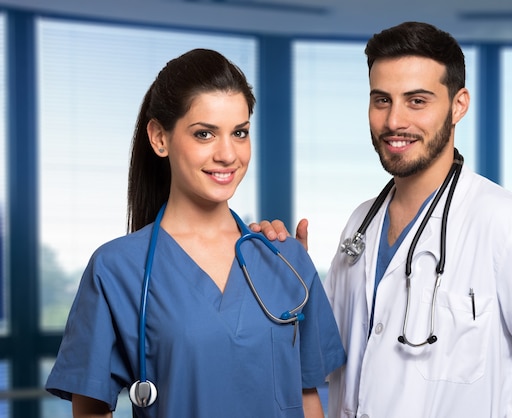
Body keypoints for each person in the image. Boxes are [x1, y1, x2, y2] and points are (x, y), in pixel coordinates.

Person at [254, 22, 512, 417]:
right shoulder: (359, 224)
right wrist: (296, 290)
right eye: (381, 100)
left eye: (417, 101)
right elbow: (333, 355)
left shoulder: (509, 226)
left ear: (459, 105)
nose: (394, 122)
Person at [45, 48, 346, 418]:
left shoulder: (286, 258)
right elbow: (91, 409)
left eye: (240, 133)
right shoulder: (116, 270)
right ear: (159, 138)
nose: (227, 154)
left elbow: (307, 396)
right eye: (204, 134)